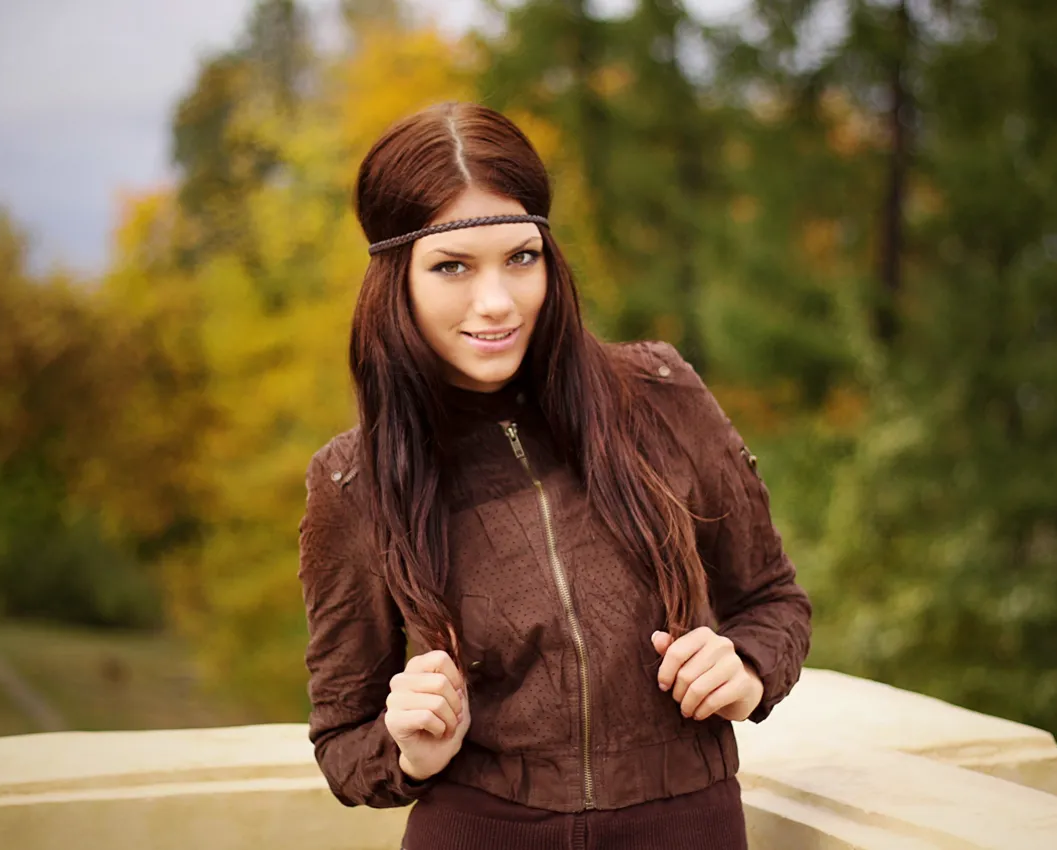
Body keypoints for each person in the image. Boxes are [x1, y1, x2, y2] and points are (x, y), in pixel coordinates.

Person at [297, 101, 812, 850]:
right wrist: (408, 750)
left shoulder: (663, 395)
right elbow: (341, 739)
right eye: (452, 267)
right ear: (396, 281)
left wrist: (749, 670)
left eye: (521, 257)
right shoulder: (354, 481)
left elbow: (772, 599)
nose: (498, 301)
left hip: (689, 826)